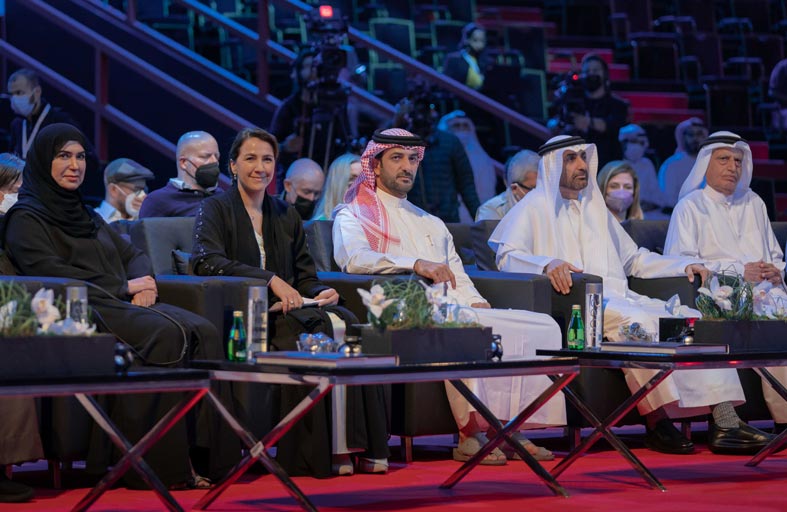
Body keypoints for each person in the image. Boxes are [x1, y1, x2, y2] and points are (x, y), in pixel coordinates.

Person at [489, 134, 772, 455]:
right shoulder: (534, 207)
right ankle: (657, 422)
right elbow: (507, 256)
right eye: (571, 158)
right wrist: (545, 264)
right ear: (552, 166)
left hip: (619, 299)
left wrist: (683, 265)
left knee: (684, 320)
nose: (582, 165)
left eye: (584, 157)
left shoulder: (595, 208)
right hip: (578, 308)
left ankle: (724, 421)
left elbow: (634, 259)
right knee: (637, 323)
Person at [2, 123, 237, 488]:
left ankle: (210, 459)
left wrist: (144, 283)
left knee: (203, 331)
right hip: (79, 309)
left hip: (119, 302)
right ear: (43, 162)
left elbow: (133, 254)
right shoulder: (25, 219)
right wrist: (124, 287)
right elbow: (50, 274)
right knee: (163, 334)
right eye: (63, 156)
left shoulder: (86, 214)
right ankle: (156, 468)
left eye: (80, 156)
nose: (75, 165)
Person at [333, 128, 566, 465]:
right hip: (400, 310)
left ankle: (510, 426)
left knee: (539, 325)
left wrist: (474, 299)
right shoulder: (353, 213)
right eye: (396, 158)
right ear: (376, 165)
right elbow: (355, 259)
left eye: (412, 159)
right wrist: (415, 263)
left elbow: (457, 273)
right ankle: (470, 434)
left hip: (452, 307)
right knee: (466, 327)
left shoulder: (431, 221)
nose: (407, 166)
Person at [191, 127, 389, 477]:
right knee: (312, 331)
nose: (260, 167)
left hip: (291, 309)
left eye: (267, 159)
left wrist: (322, 291)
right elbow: (207, 262)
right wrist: (269, 280)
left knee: (345, 320)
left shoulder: (286, 214)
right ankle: (321, 453)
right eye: (250, 158)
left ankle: (356, 444)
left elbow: (305, 276)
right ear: (233, 165)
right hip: (247, 316)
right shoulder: (215, 208)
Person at [664, 131, 787, 432]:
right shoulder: (690, 206)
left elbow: (774, 255)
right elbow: (680, 265)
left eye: (738, 161)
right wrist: (737, 272)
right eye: (723, 159)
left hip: (769, 293)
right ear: (705, 164)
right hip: (718, 296)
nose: (733, 167)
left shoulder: (754, 203)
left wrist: (777, 271)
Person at [393, 89, 481, 223]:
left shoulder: (450, 142)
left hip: (447, 221)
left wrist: (481, 221)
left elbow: (467, 186)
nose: (422, 115)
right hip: (411, 221)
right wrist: (398, 122)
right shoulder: (398, 143)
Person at [549, 54, 629, 165]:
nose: (591, 74)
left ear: (605, 74)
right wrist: (558, 124)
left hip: (606, 164)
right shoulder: (571, 99)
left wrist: (588, 122)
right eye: (587, 71)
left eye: (595, 70)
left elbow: (612, 125)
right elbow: (553, 122)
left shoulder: (618, 105)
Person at [139, 131, 222, 218]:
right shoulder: (158, 201)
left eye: (217, 157)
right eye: (205, 157)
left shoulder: (222, 197)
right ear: (183, 162)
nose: (214, 161)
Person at [437, 110, 498, 222]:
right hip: (445, 214)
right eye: (456, 126)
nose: (461, 129)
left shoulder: (482, 159)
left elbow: (487, 193)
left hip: (475, 213)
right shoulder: (438, 157)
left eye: (465, 126)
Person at [618, 124, 668, 219]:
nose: (637, 146)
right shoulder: (616, 165)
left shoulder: (647, 164)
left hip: (649, 212)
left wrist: (650, 204)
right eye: (634, 142)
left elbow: (657, 197)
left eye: (641, 143)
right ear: (624, 143)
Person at [658, 117, 708, 210]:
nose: (695, 138)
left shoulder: (712, 162)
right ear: (683, 137)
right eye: (691, 135)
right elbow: (667, 198)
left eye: (699, 134)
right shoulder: (672, 165)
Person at [475, 150, 539, 221]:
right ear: (514, 188)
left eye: (541, 187)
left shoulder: (545, 204)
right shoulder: (490, 211)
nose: (539, 193)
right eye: (533, 188)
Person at [94, 158, 155, 222]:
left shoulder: (145, 221)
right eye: (136, 190)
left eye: (145, 190)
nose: (144, 196)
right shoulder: (92, 222)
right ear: (113, 190)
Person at [311, 153, 360, 221]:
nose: (360, 191)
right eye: (351, 184)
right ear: (336, 186)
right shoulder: (320, 224)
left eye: (364, 184)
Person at [443, 23, 488, 91]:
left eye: (482, 41)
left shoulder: (486, 62)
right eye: (475, 40)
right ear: (467, 39)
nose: (479, 44)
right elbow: (447, 84)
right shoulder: (454, 59)